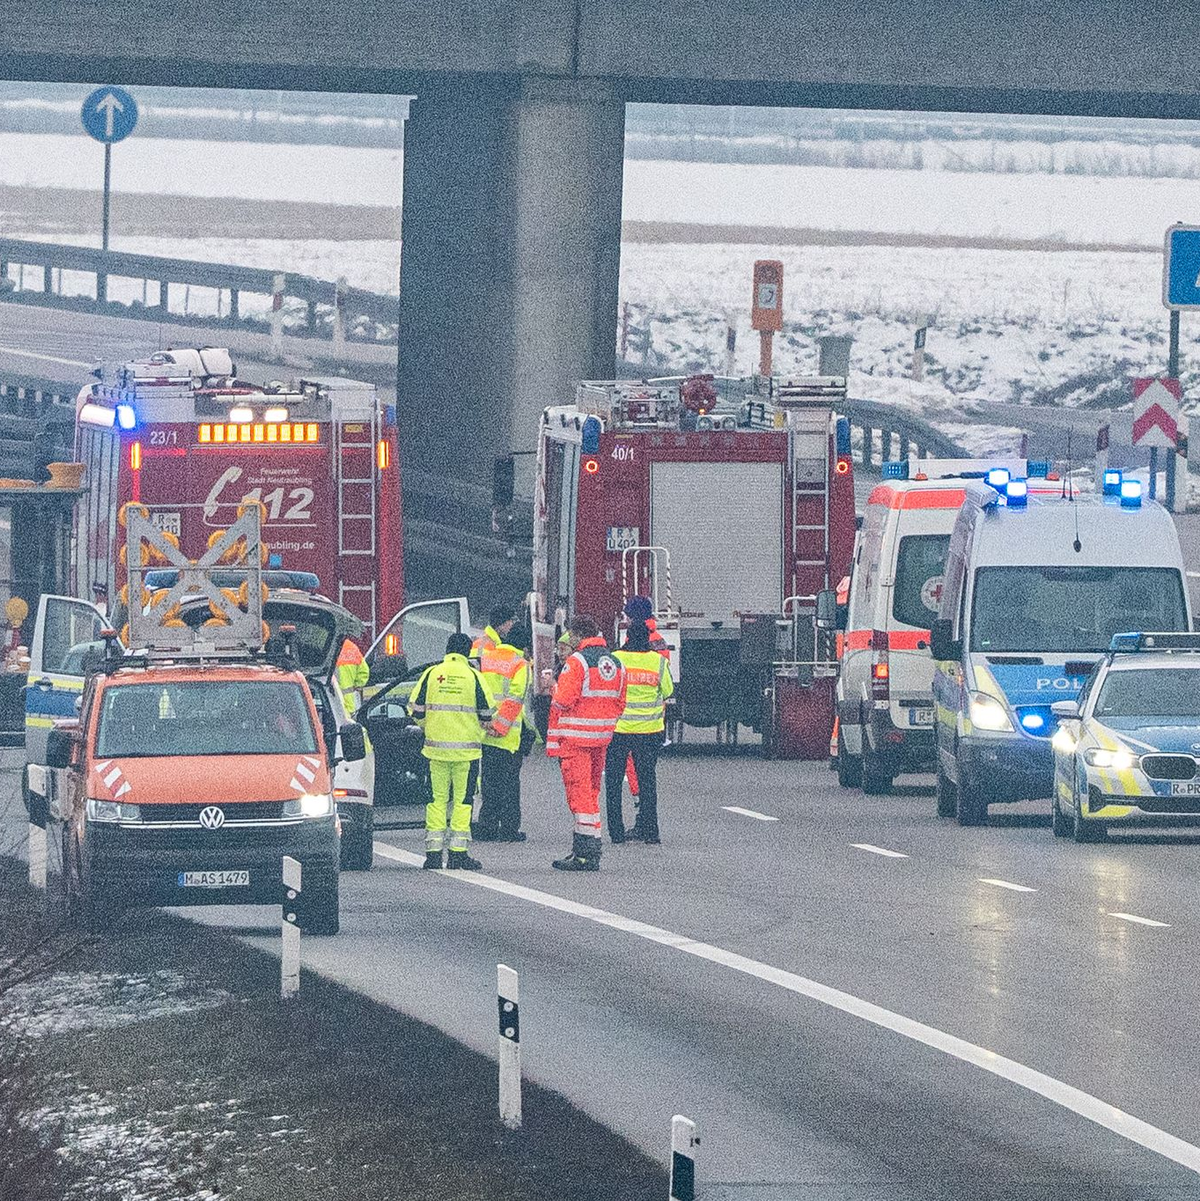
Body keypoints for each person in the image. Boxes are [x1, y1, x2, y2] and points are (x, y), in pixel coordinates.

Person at [408, 633, 495, 871]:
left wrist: (431, 727)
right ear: (467, 652)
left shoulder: (432, 674)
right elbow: (488, 714)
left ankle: (433, 854)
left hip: (435, 752)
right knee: (462, 802)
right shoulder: (474, 676)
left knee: (435, 801)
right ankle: (458, 854)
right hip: (466, 754)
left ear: (447, 649)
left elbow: (416, 711)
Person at [546, 615, 626, 872]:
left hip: (576, 739)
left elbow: (563, 701)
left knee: (580, 797)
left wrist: (553, 688)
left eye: (571, 634)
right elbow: (620, 702)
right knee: (591, 794)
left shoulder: (577, 662)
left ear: (579, 635)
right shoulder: (616, 662)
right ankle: (587, 850)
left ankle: (585, 853)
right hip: (602, 738)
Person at [606, 619, 674, 844]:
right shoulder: (658, 661)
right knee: (647, 782)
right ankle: (650, 832)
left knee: (614, 782)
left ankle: (616, 833)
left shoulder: (616, 659)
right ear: (648, 639)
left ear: (626, 638)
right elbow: (668, 691)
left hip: (619, 730)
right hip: (649, 731)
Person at [472, 604, 531, 842]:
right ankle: (508, 828)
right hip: (506, 735)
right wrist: (501, 726)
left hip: (485, 731)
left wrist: (486, 722)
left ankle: (487, 825)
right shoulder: (519, 664)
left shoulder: (487, 658)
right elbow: (516, 699)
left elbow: (479, 691)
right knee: (510, 784)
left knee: (489, 781)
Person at [335, 637, 370, 715]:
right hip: (351, 704)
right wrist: (357, 685)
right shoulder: (351, 647)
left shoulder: (327, 648)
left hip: (333, 704)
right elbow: (364, 671)